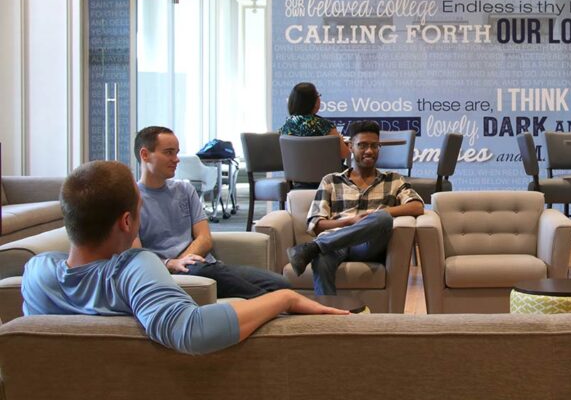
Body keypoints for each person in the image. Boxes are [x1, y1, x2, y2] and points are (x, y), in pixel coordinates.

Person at [21, 160, 345, 355]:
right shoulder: (133, 269)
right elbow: (193, 332)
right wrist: (284, 298)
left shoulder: (36, 273)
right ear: (126, 222)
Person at [134, 126, 292, 299]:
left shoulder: (184, 189)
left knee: (281, 284)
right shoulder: (131, 200)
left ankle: (274, 301)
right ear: (145, 155)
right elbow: (137, 256)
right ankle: (277, 302)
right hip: (169, 271)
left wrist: (183, 261)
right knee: (271, 294)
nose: (176, 159)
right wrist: (173, 264)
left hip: (203, 265)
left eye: (176, 153)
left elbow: (204, 238)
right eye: (169, 153)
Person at [287, 120, 425, 296]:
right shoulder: (331, 180)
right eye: (362, 145)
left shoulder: (394, 180)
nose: (369, 151)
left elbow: (417, 206)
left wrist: (379, 214)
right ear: (350, 146)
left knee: (382, 219)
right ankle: (328, 319)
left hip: (368, 247)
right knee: (321, 259)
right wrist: (350, 221)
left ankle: (313, 248)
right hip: (335, 243)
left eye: (374, 146)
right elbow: (316, 223)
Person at [279, 81, 351, 162]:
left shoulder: (286, 126)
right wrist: (340, 138)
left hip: (293, 174)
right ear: (314, 102)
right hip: (325, 173)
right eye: (318, 95)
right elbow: (345, 154)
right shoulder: (325, 126)